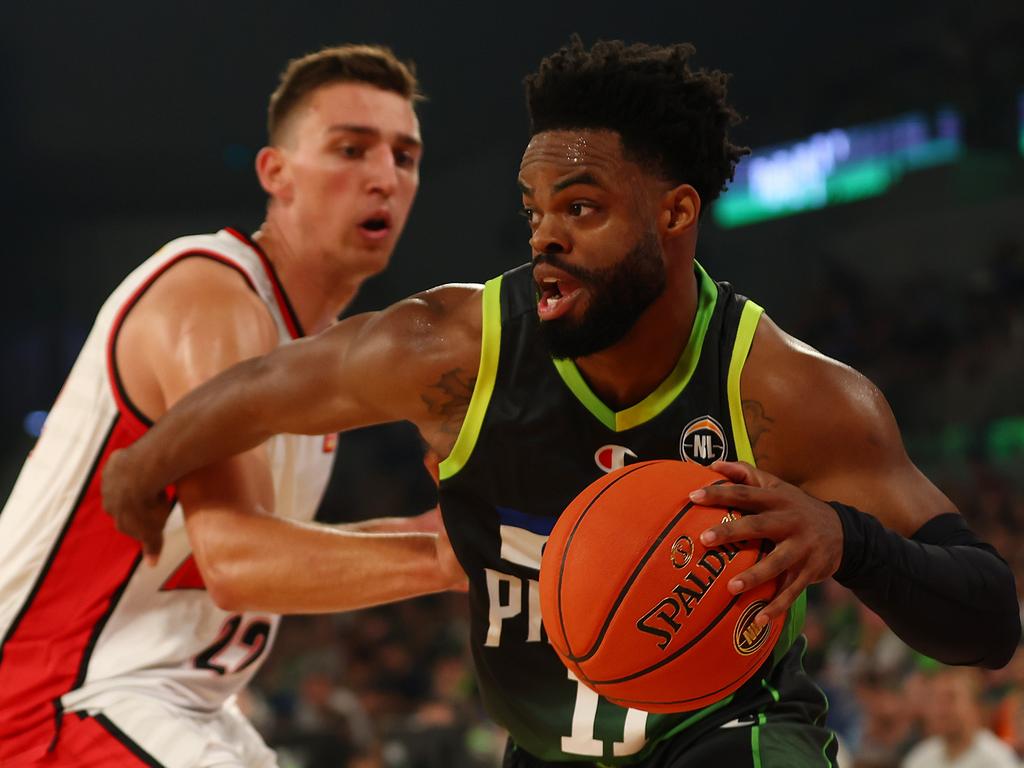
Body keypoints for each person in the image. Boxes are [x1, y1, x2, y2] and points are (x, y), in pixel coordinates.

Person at [102, 38, 1021, 767]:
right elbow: (263, 389)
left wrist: (846, 539)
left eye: (581, 208)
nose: (545, 233)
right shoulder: (452, 350)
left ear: (674, 213)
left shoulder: (791, 394)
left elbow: (987, 619)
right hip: (543, 749)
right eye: (535, 206)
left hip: (734, 738)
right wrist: (147, 463)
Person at [0, 44, 464, 767]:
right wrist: (444, 548)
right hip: (48, 697)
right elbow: (237, 560)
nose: (383, 176)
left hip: (179, 701)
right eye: (351, 149)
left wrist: (433, 528)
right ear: (274, 173)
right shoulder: (210, 293)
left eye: (405, 157)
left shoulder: (320, 357)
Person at [902, 667, 1020, 768]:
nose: (941, 709)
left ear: (974, 705)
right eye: (935, 699)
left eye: (951, 698)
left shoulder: (998, 760)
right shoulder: (919, 759)